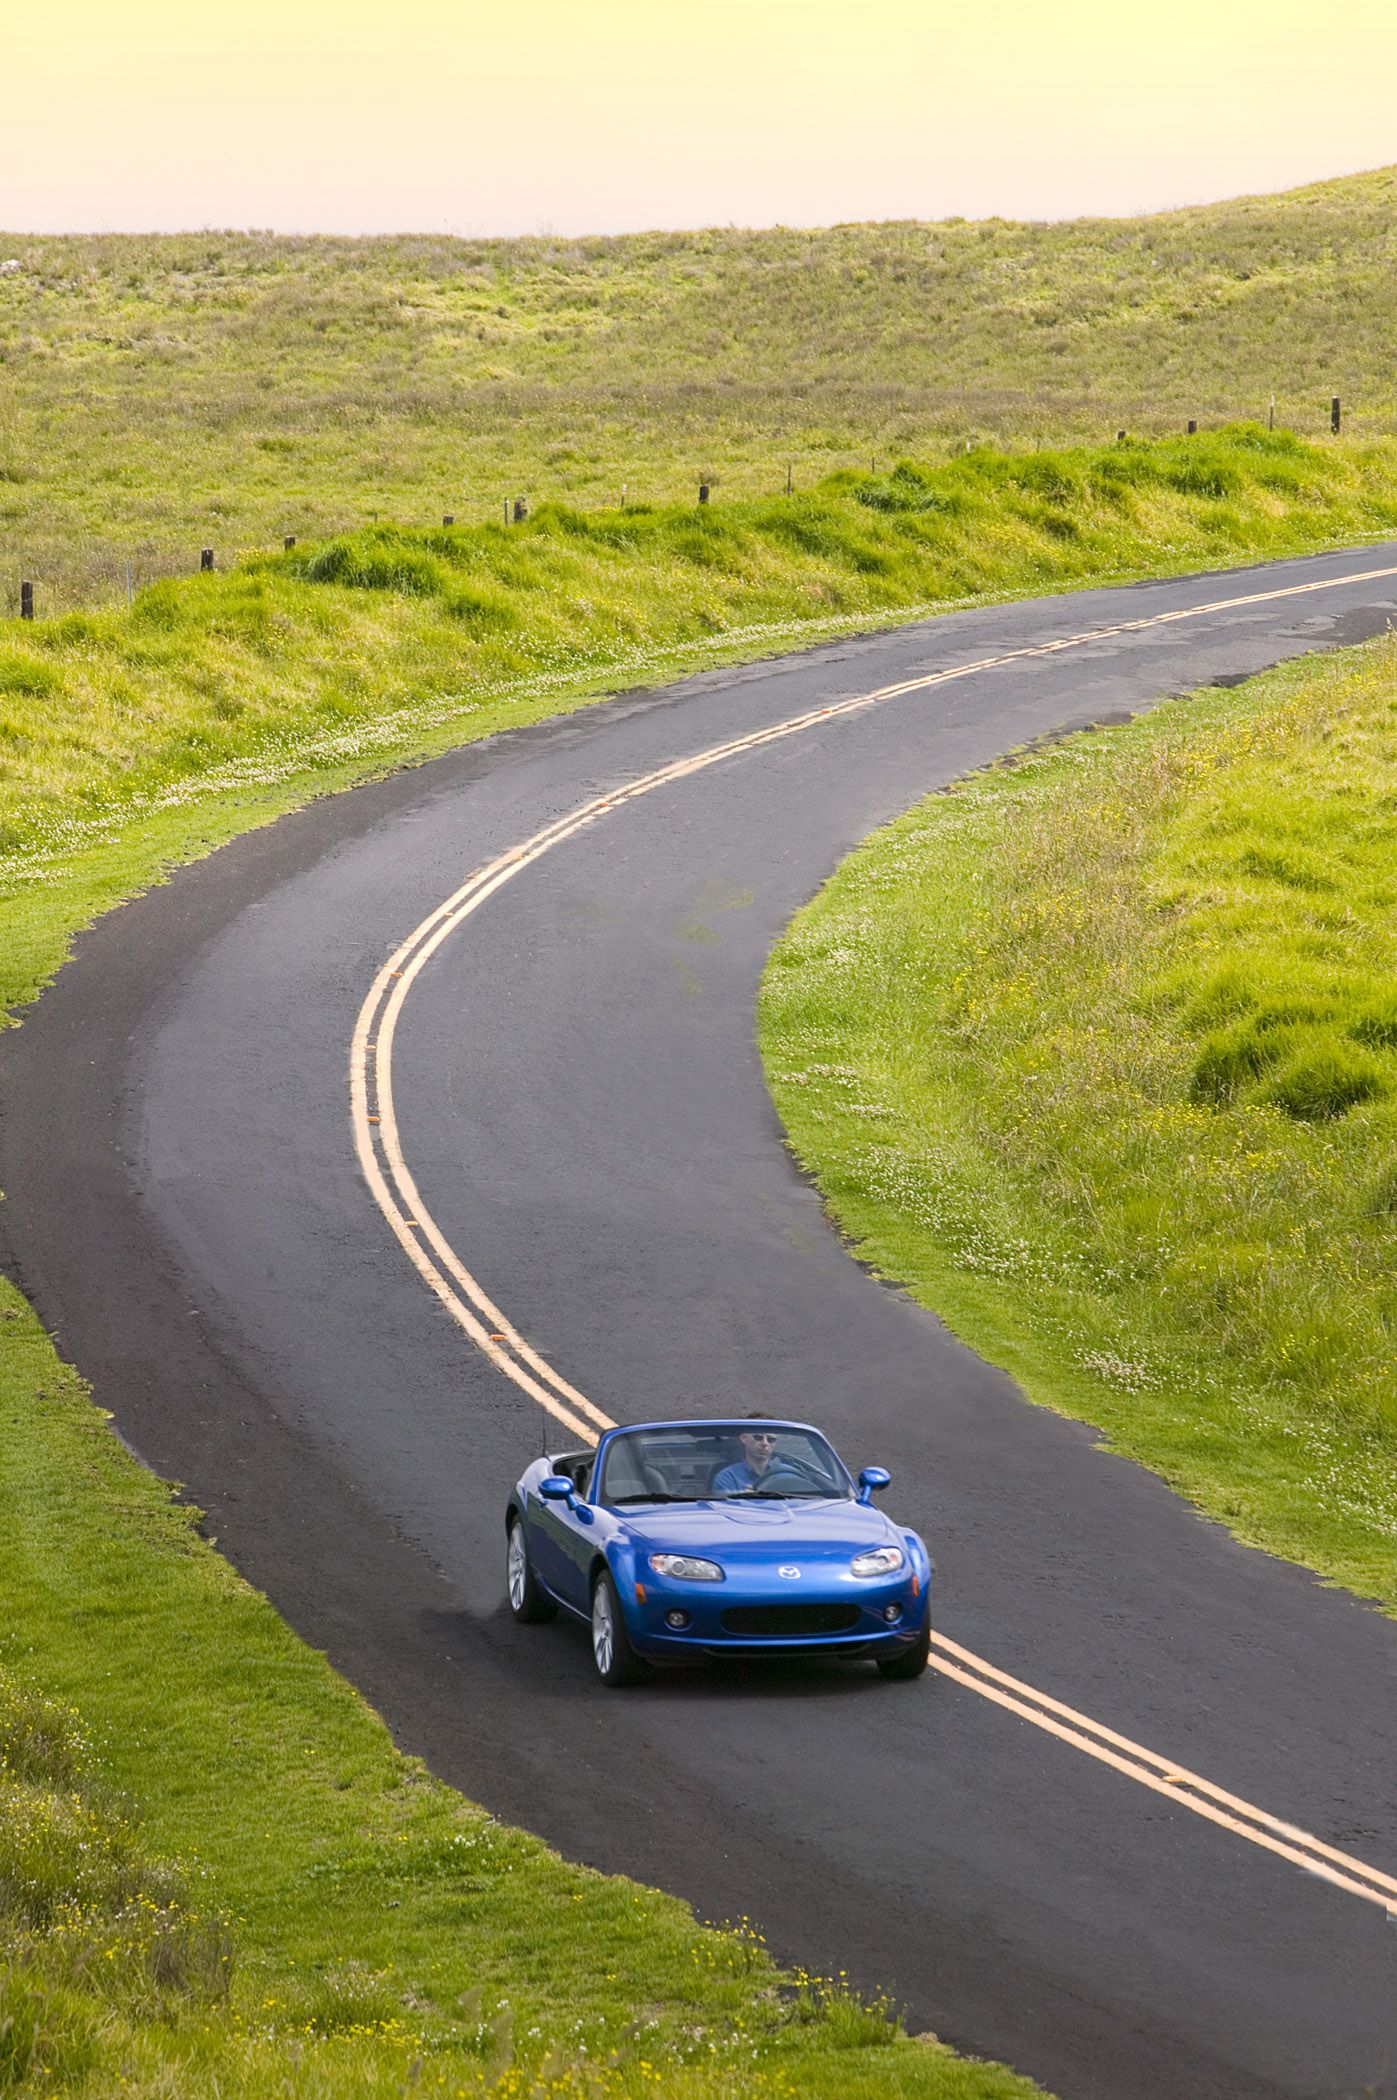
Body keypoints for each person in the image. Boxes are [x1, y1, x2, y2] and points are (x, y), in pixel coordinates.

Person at [711, 1419, 803, 1495]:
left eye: (771, 1439)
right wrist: (742, 1498)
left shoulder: (791, 1474)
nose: (765, 1443)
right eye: (758, 1437)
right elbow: (724, 1509)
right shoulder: (727, 1477)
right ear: (744, 1438)